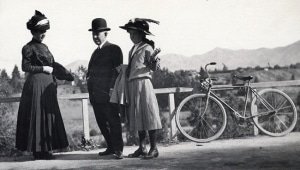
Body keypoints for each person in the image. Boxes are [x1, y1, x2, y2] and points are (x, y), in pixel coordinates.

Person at [15, 10, 69, 160]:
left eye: (44, 31)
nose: (42, 34)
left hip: (47, 86)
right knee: (37, 115)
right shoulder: (28, 47)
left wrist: (62, 73)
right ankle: (37, 150)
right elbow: (25, 67)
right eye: (40, 31)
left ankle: (46, 148)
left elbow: (52, 63)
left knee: (47, 115)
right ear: (33, 31)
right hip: (36, 85)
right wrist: (43, 69)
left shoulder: (45, 47)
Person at [119, 18, 162, 159]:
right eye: (130, 34)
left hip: (143, 84)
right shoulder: (132, 50)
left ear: (142, 34)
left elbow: (154, 67)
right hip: (133, 85)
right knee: (138, 116)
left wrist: (154, 58)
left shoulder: (147, 48)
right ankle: (142, 147)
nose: (131, 37)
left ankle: (154, 148)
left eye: (134, 34)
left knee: (149, 114)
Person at [87, 18, 124, 159]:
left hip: (109, 93)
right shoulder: (95, 52)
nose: (95, 36)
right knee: (102, 122)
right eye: (93, 34)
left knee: (113, 121)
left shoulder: (114, 49)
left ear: (106, 34)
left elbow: (118, 72)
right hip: (96, 95)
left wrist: (112, 90)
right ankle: (110, 147)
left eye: (98, 33)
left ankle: (119, 149)